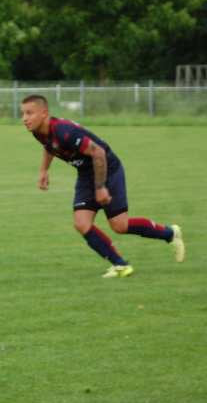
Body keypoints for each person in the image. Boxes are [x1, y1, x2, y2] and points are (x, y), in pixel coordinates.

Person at [20, 94, 185, 276]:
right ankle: (120, 265)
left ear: (44, 113)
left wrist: (100, 187)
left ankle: (170, 233)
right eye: (23, 114)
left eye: (29, 113)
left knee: (119, 226)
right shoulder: (38, 131)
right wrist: (44, 171)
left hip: (108, 168)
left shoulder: (64, 131)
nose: (25, 119)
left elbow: (98, 153)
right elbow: (49, 146)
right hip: (86, 173)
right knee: (82, 223)